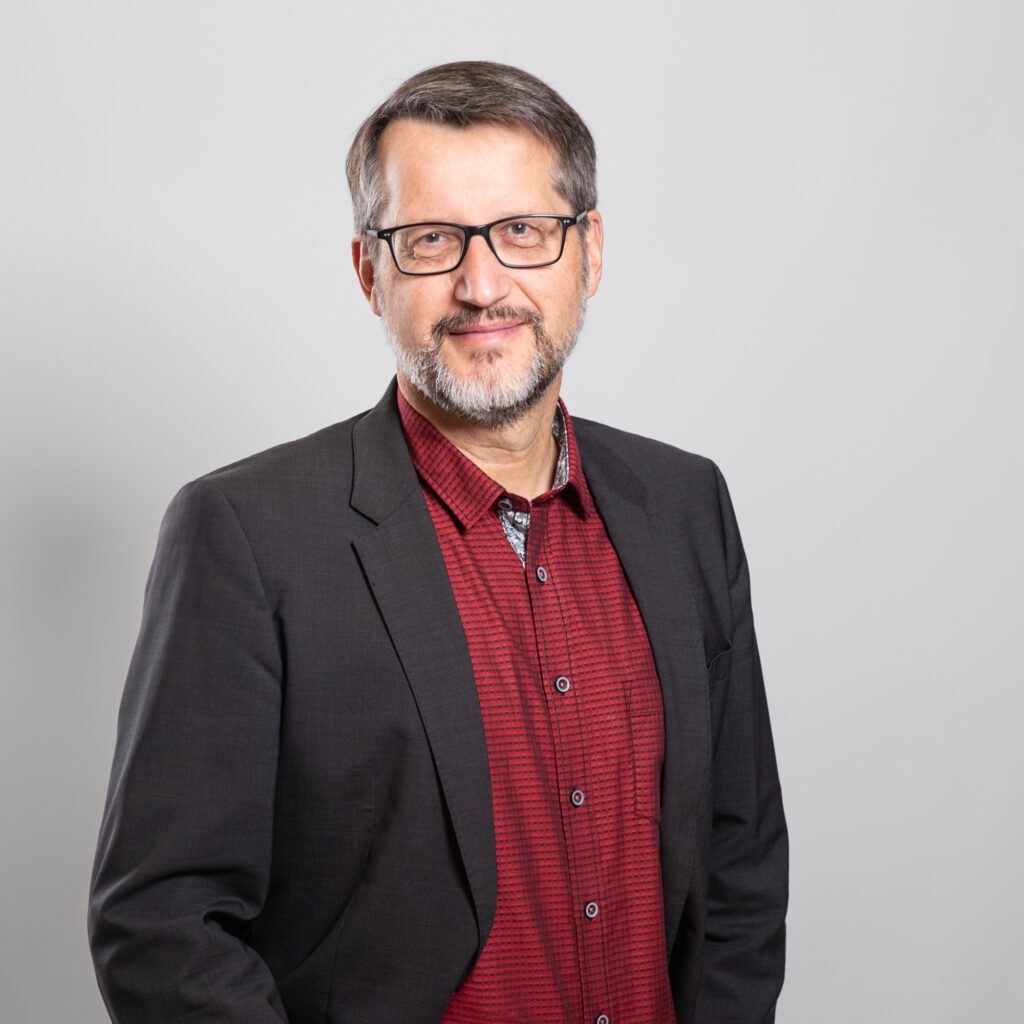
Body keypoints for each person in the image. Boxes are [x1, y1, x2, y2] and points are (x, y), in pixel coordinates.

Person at [88, 61, 788, 1024]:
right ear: (368, 272)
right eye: (430, 240)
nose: (481, 283)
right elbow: (162, 925)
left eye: (523, 231)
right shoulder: (249, 535)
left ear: (588, 253)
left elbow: (738, 861)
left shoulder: (685, 506)